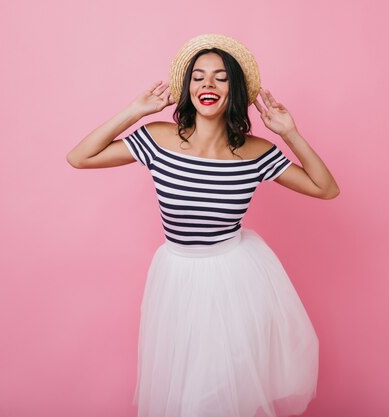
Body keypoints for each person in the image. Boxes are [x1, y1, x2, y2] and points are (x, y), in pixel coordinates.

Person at [67, 34, 339, 417]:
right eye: (198, 77)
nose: (207, 85)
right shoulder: (158, 140)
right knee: (186, 394)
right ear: (187, 88)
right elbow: (79, 157)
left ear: (235, 90)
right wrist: (134, 112)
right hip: (177, 278)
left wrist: (289, 133)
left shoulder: (256, 152)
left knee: (217, 394)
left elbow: (326, 189)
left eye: (220, 77)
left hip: (234, 282)